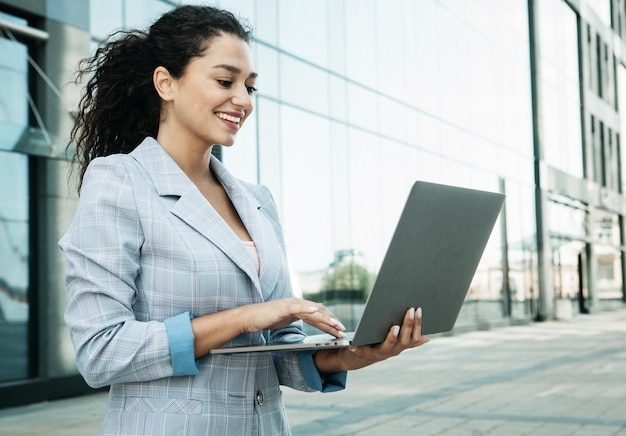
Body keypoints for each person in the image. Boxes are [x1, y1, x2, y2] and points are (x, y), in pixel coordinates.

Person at [60, 5, 429, 435]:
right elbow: (100, 351)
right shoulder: (121, 182)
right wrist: (246, 317)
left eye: (250, 87)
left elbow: (278, 351)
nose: (243, 100)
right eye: (225, 81)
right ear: (166, 83)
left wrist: (359, 354)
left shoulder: (256, 201)